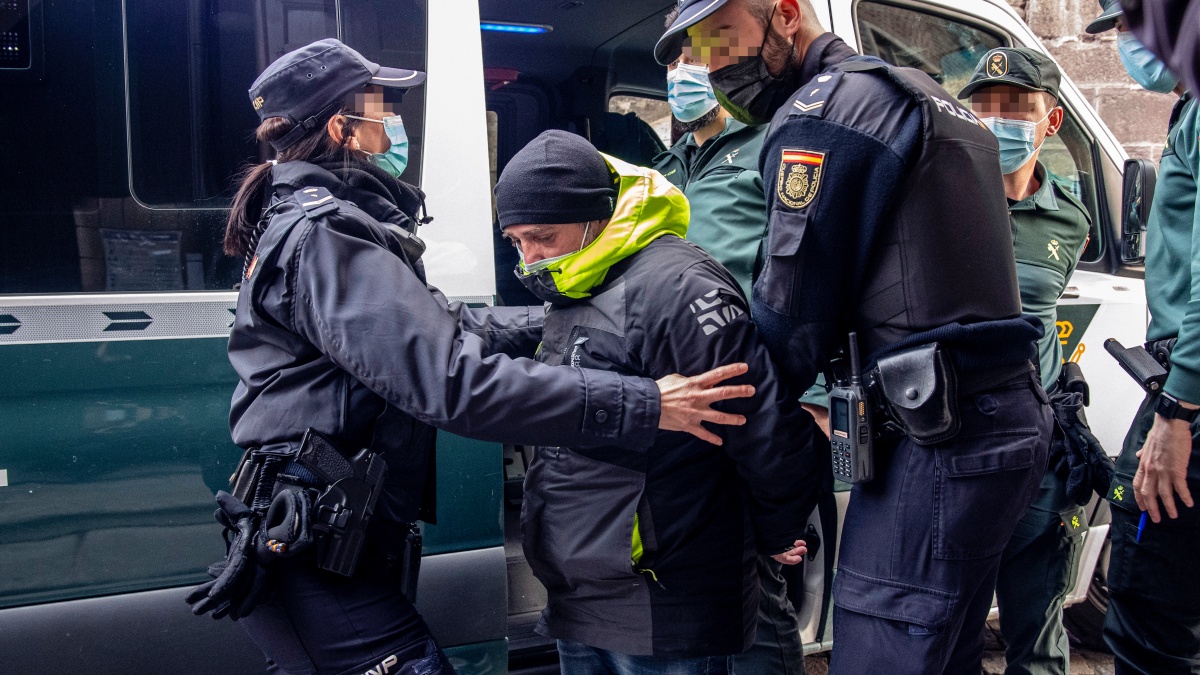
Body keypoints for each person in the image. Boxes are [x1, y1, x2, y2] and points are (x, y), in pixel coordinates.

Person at [184, 39, 758, 675]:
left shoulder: (323, 223)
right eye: (382, 107)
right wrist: (646, 404)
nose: (397, 122)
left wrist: (573, 315)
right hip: (313, 551)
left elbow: (447, 327)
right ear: (344, 128)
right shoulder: (328, 234)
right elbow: (452, 380)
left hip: (329, 541)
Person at [657, 1, 1054, 673]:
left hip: (936, 442)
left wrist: (759, 467)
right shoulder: (913, 93)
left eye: (723, 41)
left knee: (883, 653)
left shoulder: (823, 114)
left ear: (784, 13)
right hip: (988, 424)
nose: (718, 69)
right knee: (942, 653)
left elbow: (791, 317)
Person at [497, 129, 827, 673]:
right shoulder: (579, 279)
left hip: (662, 605)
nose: (529, 259)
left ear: (595, 215)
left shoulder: (678, 288)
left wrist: (776, 531)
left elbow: (766, 430)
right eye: (515, 243)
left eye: (542, 237)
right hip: (582, 595)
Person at [652, 28, 808, 675]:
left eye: (698, 55)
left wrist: (814, 408)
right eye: (676, 61)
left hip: (748, 399)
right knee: (698, 593)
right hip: (678, 414)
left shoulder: (774, 147)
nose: (686, 71)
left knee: (759, 590)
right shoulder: (667, 169)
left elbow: (809, 275)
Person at [961, 47, 1092, 675]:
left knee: (1037, 630)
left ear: (1052, 121)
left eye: (1016, 109)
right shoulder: (938, 200)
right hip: (954, 446)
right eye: (983, 109)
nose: (997, 122)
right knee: (944, 629)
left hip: (1038, 453)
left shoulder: (1071, 218)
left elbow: (1043, 323)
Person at [1090, 5, 1200, 672]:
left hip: (1188, 399)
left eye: (1135, 23)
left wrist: (1178, 409)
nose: (1129, 42)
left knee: (1146, 617)